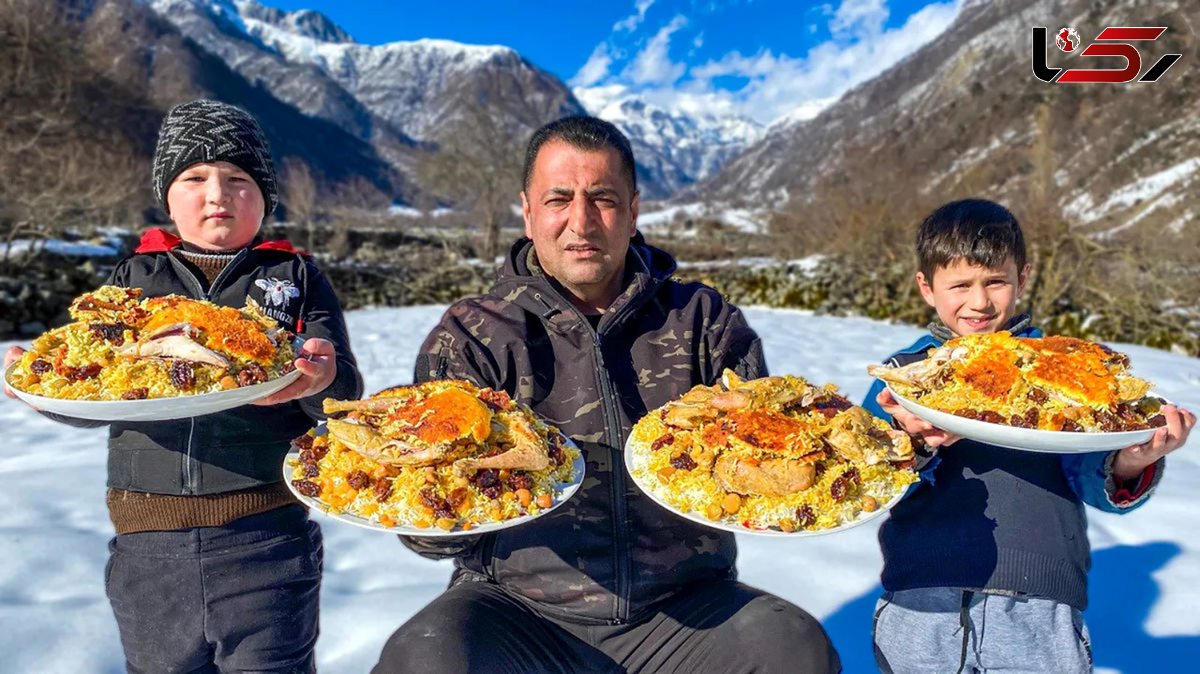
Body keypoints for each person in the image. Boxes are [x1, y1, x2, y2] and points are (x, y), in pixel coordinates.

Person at [371, 116, 840, 674]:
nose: (581, 221)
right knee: (423, 658)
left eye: (603, 198)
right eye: (558, 198)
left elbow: (778, 453)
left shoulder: (703, 322)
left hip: (687, 609)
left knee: (793, 649)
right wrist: (438, 505)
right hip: (517, 610)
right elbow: (418, 520)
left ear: (634, 209)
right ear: (527, 211)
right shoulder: (473, 335)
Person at [4, 99, 364, 673]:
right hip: (148, 544)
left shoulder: (293, 278)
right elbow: (94, 386)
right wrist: (41, 387)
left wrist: (319, 376)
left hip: (266, 536)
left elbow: (339, 389)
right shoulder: (134, 281)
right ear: (167, 197)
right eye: (194, 178)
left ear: (266, 197)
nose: (217, 194)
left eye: (238, 179)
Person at [860, 198, 1195, 674]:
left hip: (1039, 602)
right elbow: (859, 471)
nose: (979, 302)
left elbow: (1086, 468)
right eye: (960, 285)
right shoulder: (902, 378)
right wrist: (906, 441)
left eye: (995, 281)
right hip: (923, 594)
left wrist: (1131, 462)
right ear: (927, 287)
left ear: (1023, 276)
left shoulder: (1066, 372)